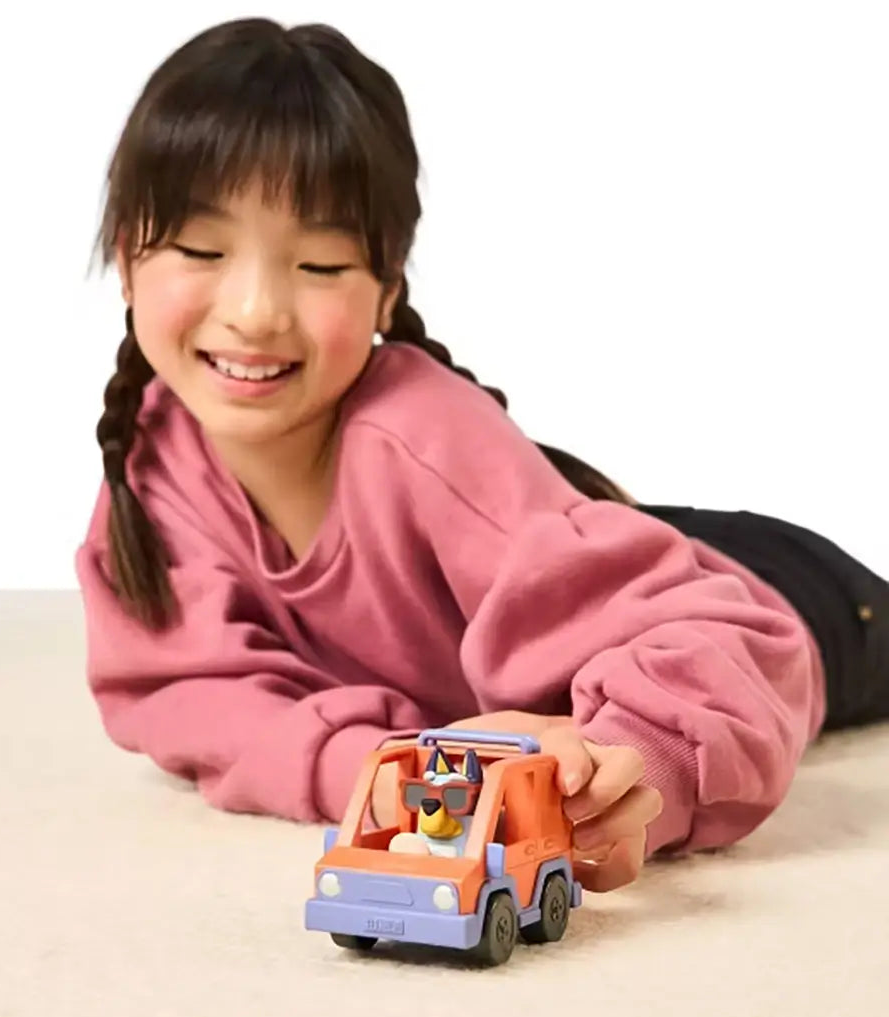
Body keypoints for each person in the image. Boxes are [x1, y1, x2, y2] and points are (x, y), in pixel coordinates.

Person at [75, 17, 889, 893]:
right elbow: (194, 699)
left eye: (318, 264)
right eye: (202, 249)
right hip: (594, 549)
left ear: (387, 286)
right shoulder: (152, 463)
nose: (257, 312)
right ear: (127, 258)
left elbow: (738, 638)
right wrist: (383, 768)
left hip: (785, 592)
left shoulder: (419, 435)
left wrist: (634, 762)